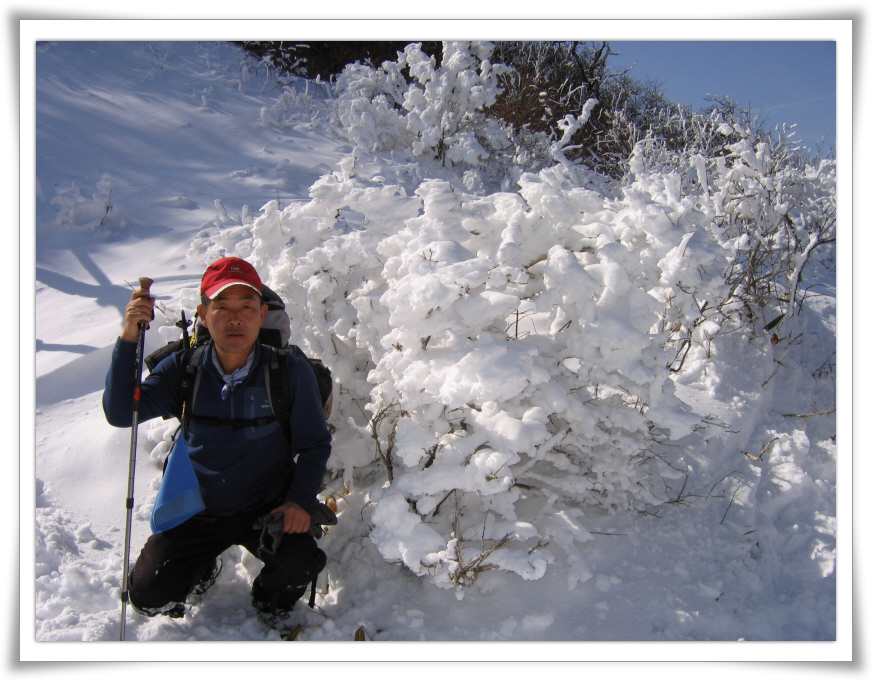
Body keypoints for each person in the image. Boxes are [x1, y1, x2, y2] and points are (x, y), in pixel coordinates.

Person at [103, 257, 332, 628]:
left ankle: (269, 599)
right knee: (146, 595)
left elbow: (315, 445)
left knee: (302, 561)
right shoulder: (185, 367)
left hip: (267, 507)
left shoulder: (288, 372)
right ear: (204, 314)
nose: (235, 318)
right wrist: (130, 335)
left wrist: (297, 501)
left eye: (246, 307)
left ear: (261, 313)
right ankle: (203, 566)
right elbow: (120, 411)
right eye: (221, 307)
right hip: (199, 508)